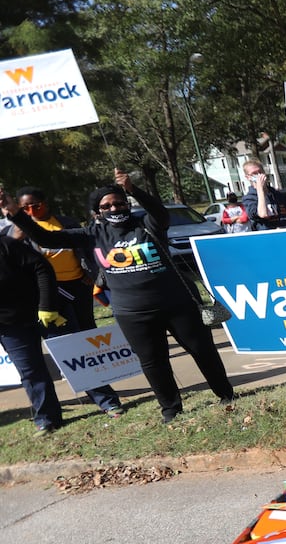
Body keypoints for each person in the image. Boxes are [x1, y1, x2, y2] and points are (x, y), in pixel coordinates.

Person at [0, 170, 235, 423]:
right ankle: (171, 409)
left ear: (127, 204)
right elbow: (44, 237)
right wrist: (14, 213)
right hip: (133, 314)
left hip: (177, 304)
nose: (114, 208)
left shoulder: (147, 224)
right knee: (153, 362)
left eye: (119, 203)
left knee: (203, 351)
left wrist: (134, 189)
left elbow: (159, 212)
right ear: (98, 212)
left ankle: (226, 395)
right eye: (107, 206)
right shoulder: (92, 234)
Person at [14, 187, 124, 417]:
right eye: (26, 208)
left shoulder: (65, 221)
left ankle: (101, 390)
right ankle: (106, 400)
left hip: (79, 287)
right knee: (73, 346)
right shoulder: (19, 232)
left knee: (88, 337)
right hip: (50, 295)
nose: (32, 210)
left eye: (36, 205)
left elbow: (87, 248)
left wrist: (89, 275)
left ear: (46, 202)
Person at [0, 230, 66, 433]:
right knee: (30, 370)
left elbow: (41, 267)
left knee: (74, 356)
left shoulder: (7, 245)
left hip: (41, 312)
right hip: (9, 327)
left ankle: (106, 401)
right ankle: (47, 417)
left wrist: (47, 305)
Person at [240, 159, 286, 229]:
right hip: (266, 237)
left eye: (260, 172)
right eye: (254, 173)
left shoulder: (279, 196)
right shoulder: (249, 199)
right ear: (248, 177)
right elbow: (263, 214)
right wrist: (260, 190)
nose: (259, 175)